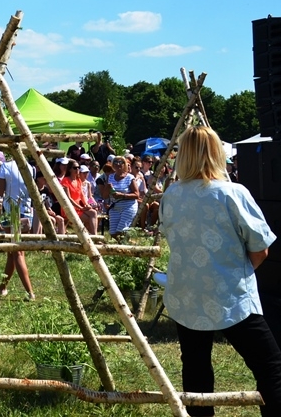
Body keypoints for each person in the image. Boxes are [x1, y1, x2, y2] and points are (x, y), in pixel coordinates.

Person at [160, 125, 281, 416]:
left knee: (196, 369)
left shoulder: (171, 194)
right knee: (271, 368)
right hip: (231, 294)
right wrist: (231, 274)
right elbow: (261, 248)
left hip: (185, 293)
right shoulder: (232, 193)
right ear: (216, 153)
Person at [0, 159, 35, 300]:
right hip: (27, 211)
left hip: (12, 211)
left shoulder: (5, 167)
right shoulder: (29, 167)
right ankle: (3, 286)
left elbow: (0, 191)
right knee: (12, 252)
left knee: (17, 251)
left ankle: (30, 292)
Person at [104, 156, 141, 238]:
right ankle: (121, 246)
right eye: (116, 162)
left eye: (120, 162)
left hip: (128, 207)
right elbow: (105, 195)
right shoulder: (110, 177)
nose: (118, 164)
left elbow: (137, 194)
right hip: (115, 207)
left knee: (121, 231)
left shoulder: (130, 177)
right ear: (113, 165)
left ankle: (125, 246)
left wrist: (122, 195)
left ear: (124, 164)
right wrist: (107, 187)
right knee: (113, 233)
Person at [60, 159, 99, 234]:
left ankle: (94, 236)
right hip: (70, 208)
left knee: (93, 213)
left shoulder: (80, 181)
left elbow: (83, 195)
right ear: (70, 169)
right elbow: (68, 198)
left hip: (80, 207)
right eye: (75, 168)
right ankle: (92, 237)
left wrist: (87, 205)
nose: (77, 169)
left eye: (78, 167)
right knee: (88, 219)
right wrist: (81, 207)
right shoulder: (65, 180)